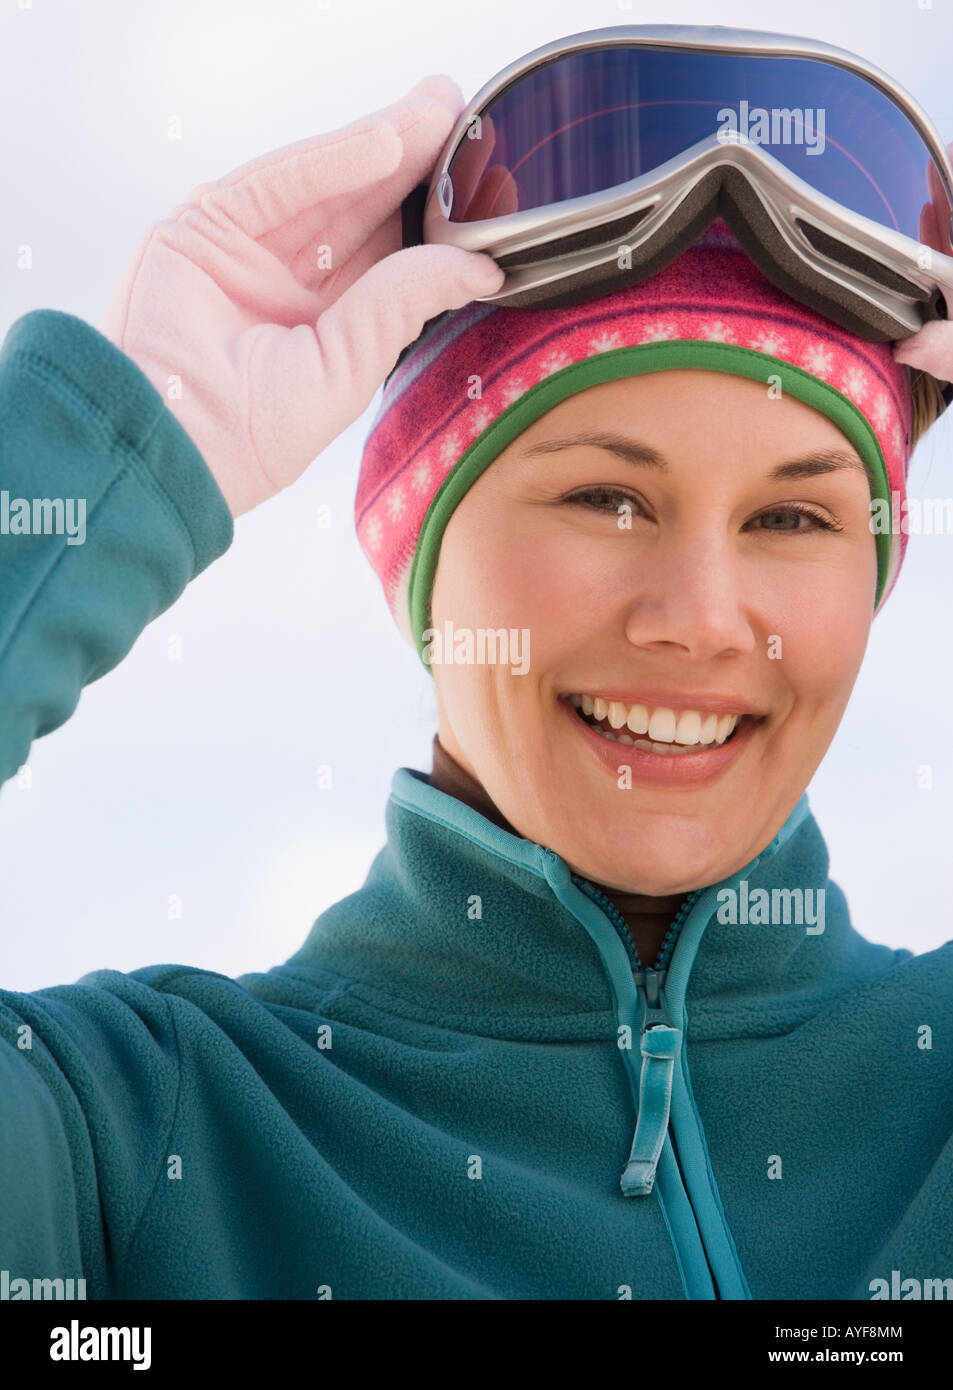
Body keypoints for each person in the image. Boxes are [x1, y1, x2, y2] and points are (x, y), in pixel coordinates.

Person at [1, 74, 951, 1302]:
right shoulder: (134, 1143)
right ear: (421, 550)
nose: (703, 620)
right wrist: (106, 452)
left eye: (790, 514)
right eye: (604, 499)